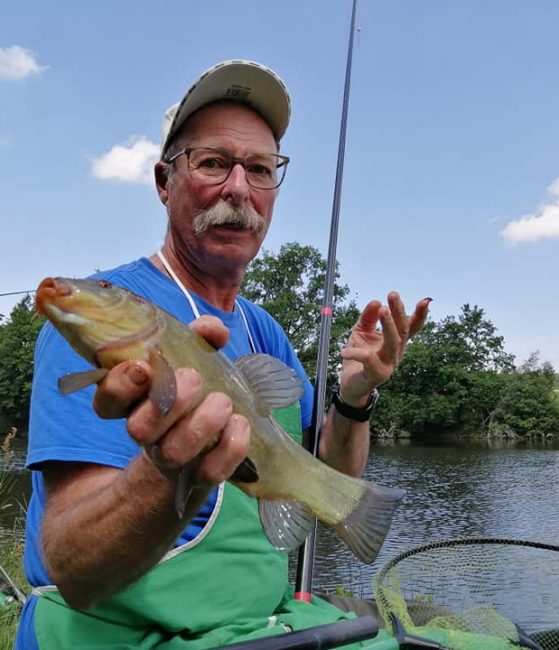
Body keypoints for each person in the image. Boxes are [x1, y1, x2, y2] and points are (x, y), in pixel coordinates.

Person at [16, 60, 430, 649]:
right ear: (165, 182)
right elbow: (76, 574)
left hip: (260, 631)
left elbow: (327, 481)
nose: (239, 188)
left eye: (260, 170)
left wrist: (356, 394)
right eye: (214, 162)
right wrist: (171, 472)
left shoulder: (266, 333)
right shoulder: (88, 331)